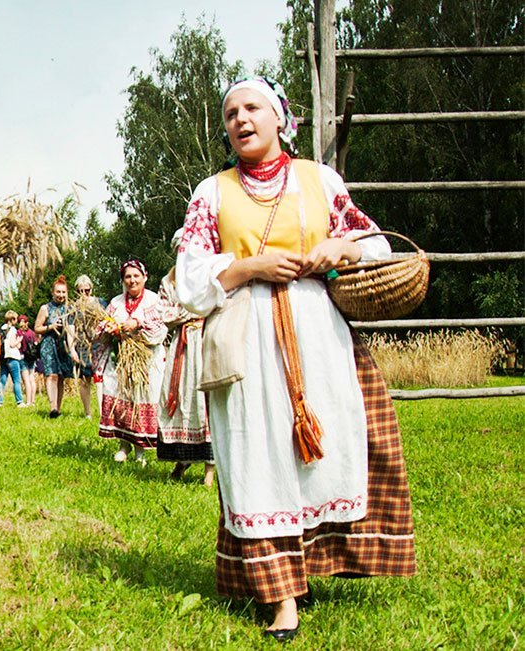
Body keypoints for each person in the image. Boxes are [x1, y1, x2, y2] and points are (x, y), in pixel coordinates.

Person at [176, 77, 415, 639]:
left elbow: (375, 241)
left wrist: (342, 247)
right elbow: (188, 277)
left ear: (281, 118)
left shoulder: (318, 179)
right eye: (231, 112)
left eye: (252, 108)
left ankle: (318, 562)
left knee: (327, 445)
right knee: (258, 455)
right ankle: (280, 596)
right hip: (249, 336)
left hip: (317, 332)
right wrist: (249, 268)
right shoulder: (212, 192)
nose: (241, 119)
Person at [95, 260, 167, 464]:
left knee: (140, 398)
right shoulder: (116, 302)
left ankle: (140, 450)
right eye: (128, 277)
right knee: (121, 399)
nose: (132, 280)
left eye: (136, 276)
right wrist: (110, 328)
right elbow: (102, 325)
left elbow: (161, 329)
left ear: (145, 277)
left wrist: (137, 325)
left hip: (146, 361)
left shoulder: (154, 300)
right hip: (120, 360)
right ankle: (123, 446)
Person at [155, 257, 215, 487]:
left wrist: (188, 310)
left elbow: (215, 305)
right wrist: (192, 310)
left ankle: (209, 468)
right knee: (180, 398)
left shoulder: (209, 276)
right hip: (182, 345)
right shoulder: (168, 282)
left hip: (205, 340)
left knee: (204, 400)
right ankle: (182, 459)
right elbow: (164, 315)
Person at [36, 276, 79, 418]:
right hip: (49, 344)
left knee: (61, 376)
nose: (61, 295)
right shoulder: (45, 308)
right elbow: (37, 328)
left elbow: (72, 328)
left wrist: (73, 348)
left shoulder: (70, 309)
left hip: (64, 344)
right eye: (58, 292)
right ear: (53, 292)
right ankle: (52, 407)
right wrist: (51, 326)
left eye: (63, 292)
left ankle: (58, 409)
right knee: (51, 375)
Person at [68, 275, 102, 418]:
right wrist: (72, 349)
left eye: (87, 290)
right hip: (82, 345)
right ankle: (88, 412)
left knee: (100, 379)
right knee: (84, 379)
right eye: (80, 291)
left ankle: (102, 413)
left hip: (99, 345)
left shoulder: (100, 303)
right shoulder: (73, 307)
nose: (84, 294)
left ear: (91, 289)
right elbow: (71, 328)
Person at [0, 311, 25, 406]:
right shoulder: (12, 330)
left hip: (3, 357)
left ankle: (0, 402)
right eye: (16, 319)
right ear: (12, 319)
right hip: (12, 357)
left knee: (2, 380)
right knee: (16, 380)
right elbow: (12, 344)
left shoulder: (1, 329)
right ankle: (19, 401)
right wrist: (19, 340)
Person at [18, 316, 41, 407]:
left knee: (26, 380)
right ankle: (33, 401)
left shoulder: (19, 332)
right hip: (32, 358)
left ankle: (27, 401)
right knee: (32, 379)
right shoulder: (32, 333)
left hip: (23, 357)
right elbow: (36, 343)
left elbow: (19, 346)